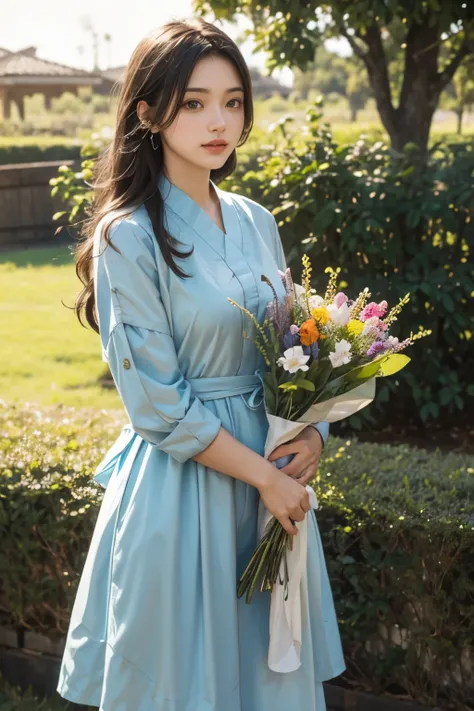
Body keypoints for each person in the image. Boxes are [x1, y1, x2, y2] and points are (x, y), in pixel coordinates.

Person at [56, 16, 345, 711]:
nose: (218, 120)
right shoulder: (127, 237)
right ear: (149, 112)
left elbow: (294, 350)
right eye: (194, 102)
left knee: (263, 685)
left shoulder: (255, 219)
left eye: (233, 100)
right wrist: (264, 482)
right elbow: (156, 403)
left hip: (270, 482)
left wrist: (313, 433)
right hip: (184, 492)